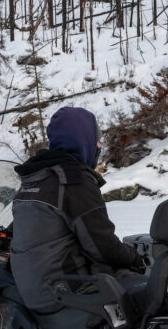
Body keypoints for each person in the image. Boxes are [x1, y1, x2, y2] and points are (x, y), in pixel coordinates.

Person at [11, 107, 144, 315]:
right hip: (66, 294)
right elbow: (103, 246)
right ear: (84, 141)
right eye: (96, 140)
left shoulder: (35, 178)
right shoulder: (72, 180)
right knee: (143, 288)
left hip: (35, 292)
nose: (99, 146)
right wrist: (138, 259)